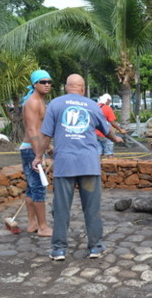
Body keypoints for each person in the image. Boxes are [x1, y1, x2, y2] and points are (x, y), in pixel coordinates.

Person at [33, 74, 123, 261]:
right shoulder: (92, 106)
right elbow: (107, 131)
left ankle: (58, 250)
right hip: (89, 164)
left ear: (67, 87)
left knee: (61, 209)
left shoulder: (55, 105)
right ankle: (95, 247)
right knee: (92, 208)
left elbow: (45, 136)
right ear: (82, 88)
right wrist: (116, 139)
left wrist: (38, 156)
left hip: (65, 165)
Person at [18, 70, 54, 236]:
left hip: (36, 148)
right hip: (31, 149)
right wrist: (38, 155)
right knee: (39, 188)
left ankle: (32, 224)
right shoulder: (32, 102)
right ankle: (42, 226)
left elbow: (41, 130)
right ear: (34, 84)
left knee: (32, 189)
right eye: (42, 82)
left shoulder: (40, 101)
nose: (47, 84)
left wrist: (48, 148)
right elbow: (32, 130)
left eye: (49, 82)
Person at [96, 93, 127, 158]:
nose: (109, 103)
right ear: (107, 100)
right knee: (109, 153)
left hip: (95, 134)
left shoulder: (95, 106)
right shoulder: (107, 108)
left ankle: (97, 167)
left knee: (98, 152)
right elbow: (112, 122)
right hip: (105, 134)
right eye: (109, 101)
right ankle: (110, 167)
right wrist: (120, 130)